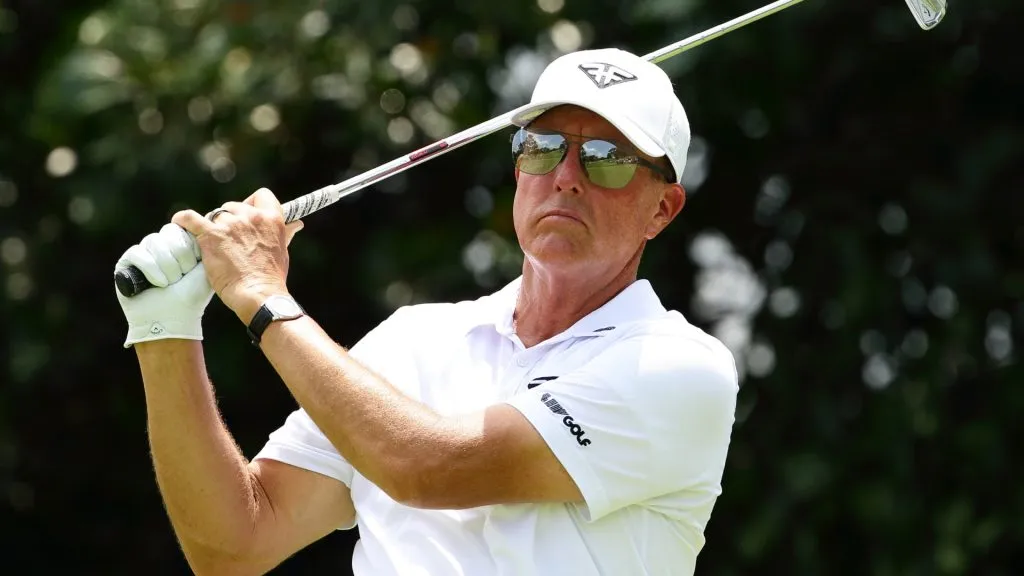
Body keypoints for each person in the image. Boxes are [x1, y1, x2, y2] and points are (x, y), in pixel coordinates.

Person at [115, 47, 739, 576]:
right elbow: (236, 543)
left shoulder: (679, 369)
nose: (567, 176)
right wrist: (164, 330)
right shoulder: (412, 339)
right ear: (519, 166)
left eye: (607, 158)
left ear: (663, 209)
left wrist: (263, 297)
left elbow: (428, 467)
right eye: (544, 147)